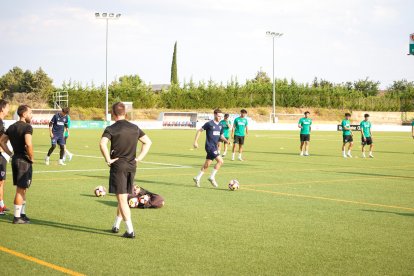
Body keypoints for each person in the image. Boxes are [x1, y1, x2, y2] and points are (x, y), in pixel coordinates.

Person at [100, 102, 152, 239]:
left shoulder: (111, 128)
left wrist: (108, 159)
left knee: (122, 198)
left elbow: (102, 143)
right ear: (125, 113)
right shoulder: (134, 127)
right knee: (122, 195)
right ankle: (116, 225)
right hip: (131, 165)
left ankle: (130, 230)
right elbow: (148, 142)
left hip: (119, 166)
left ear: (112, 113)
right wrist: (139, 158)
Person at [0, 105, 34, 224]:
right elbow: (28, 144)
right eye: (30, 113)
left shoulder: (12, 127)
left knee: (23, 189)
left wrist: (10, 153)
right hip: (23, 161)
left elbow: (2, 141)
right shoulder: (27, 127)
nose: (31, 115)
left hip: (16, 159)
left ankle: (22, 214)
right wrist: (31, 157)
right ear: (24, 114)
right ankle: (16, 217)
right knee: (20, 190)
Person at [193, 109, 228, 188]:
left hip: (214, 147)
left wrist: (226, 141)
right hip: (209, 147)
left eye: (221, 116)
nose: (220, 118)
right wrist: (195, 142)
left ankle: (197, 178)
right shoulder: (209, 124)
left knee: (207, 165)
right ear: (215, 115)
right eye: (219, 116)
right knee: (220, 161)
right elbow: (199, 131)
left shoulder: (220, 125)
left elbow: (221, 136)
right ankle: (211, 177)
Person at [0, 100, 10, 215]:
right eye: (7, 107)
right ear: (2, 108)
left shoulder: (2, 122)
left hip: (2, 155)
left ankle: (1, 205)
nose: (8, 109)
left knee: (1, 181)